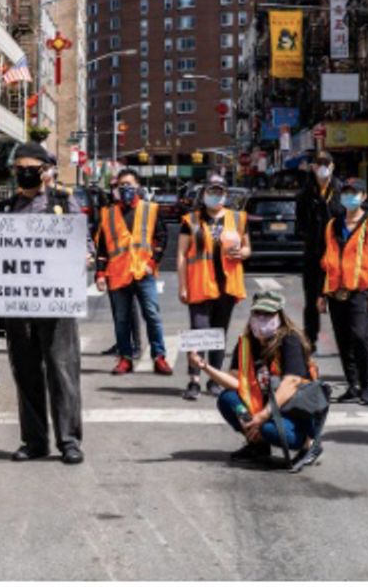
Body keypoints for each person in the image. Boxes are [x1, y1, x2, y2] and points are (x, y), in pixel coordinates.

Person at [0, 143, 89, 465]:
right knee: (26, 373)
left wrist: (86, 255)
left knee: (62, 371)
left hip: (57, 305)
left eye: (30, 167)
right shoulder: (5, 208)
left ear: (45, 170)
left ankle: (69, 441)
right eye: (19, 167)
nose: (24, 172)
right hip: (18, 307)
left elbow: (84, 242)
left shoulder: (63, 202)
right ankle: (34, 440)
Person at [190, 291, 322, 469]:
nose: (261, 318)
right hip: (265, 406)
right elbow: (236, 382)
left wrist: (263, 416)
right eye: (257, 313)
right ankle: (258, 446)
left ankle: (309, 444)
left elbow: (291, 382)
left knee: (269, 429)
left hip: (296, 410)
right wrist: (204, 366)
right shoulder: (246, 343)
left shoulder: (290, 339)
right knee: (227, 398)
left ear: (280, 316)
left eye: (268, 314)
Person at [177, 174, 251, 400]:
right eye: (211, 191)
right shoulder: (191, 220)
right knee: (199, 331)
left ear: (226, 195)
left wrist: (243, 253)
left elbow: (248, 248)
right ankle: (193, 380)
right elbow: (181, 254)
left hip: (226, 285)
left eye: (219, 191)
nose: (215, 195)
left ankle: (215, 380)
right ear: (204, 194)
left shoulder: (238, 219)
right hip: (199, 284)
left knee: (219, 333)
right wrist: (182, 285)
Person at [96, 169, 172, 376]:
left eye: (129, 184)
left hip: (143, 273)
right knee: (121, 319)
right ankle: (125, 358)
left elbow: (162, 238)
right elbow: (102, 248)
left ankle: (159, 357)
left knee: (152, 315)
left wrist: (152, 262)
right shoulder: (108, 213)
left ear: (138, 186)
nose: (125, 188)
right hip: (118, 274)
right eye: (121, 185)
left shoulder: (150, 210)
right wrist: (100, 274)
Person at [318, 178, 368, 406]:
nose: (350, 197)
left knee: (360, 337)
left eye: (355, 193)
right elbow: (325, 261)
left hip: (360, 291)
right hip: (335, 291)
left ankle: (366, 386)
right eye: (346, 193)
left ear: (364, 197)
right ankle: (352, 385)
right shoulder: (332, 225)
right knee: (343, 341)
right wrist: (321, 294)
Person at [295, 151, 345, 352]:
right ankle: (310, 338)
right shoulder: (305, 194)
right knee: (311, 299)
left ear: (332, 166)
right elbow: (300, 225)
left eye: (326, 163)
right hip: (313, 254)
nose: (323, 167)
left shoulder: (341, 191)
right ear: (313, 167)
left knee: (339, 299)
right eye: (319, 163)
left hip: (337, 253)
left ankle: (344, 340)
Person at [99, 180, 144, 360]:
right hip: (113, 267)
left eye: (122, 187)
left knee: (130, 309)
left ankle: (137, 345)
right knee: (118, 310)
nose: (118, 191)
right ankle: (122, 341)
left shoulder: (133, 211)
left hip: (130, 267)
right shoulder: (110, 210)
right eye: (116, 188)